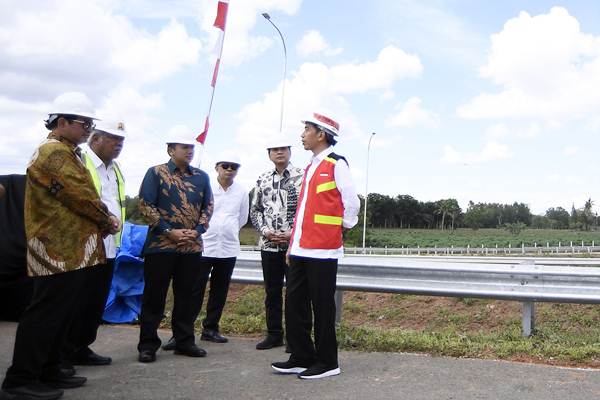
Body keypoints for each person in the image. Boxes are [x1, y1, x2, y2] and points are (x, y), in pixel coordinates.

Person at [0, 101, 121, 400]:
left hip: (72, 249)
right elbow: (78, 194)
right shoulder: (53, 152)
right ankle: (20, 380)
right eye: (85, 124)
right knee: (45, 313)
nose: (88, 130)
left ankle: (49, 370)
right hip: (56, 248)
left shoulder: (69, 152)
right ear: (62, 122)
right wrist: (106, 219)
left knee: (62, 314)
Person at [271, 112, 360, 380]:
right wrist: (292, 246)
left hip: (323, 249)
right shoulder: (311, 166)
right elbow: (303, 212)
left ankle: (327, 361)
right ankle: (301, 356)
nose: (302, 134)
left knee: (322, 307)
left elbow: (352, 203)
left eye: (307, 129)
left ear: (321, 134)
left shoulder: (336, 163)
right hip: (300, 249)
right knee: (295, 304)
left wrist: (340, 227)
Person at [136, 136, 213, 363]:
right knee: (154, 297)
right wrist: (169, 231)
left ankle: (184, 341)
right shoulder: (156, 173)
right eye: (184, 147)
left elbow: (208, 206)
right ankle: (148, 344)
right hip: (161, 246)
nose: (189, 151)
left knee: (187, 296)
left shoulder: (201, 177)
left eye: (191, 147)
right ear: (171, 150)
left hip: (191, 246)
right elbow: (145, 205)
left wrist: (197, 230)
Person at [60, 121, 127, 368]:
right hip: (84, 247)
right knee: (76, 302)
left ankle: (81, 347)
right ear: (95, 138)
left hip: (108, 247)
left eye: (121, 141)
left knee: (94, 302)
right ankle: (63, 354)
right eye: (113, 139)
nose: (118, 145)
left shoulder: (116, 169)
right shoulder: (81, 162)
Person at [164, 155, 248, 348]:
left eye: (233, 166)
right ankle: (182, 334)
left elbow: (242, 217)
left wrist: (228, 229)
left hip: (228, 247)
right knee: (193, 290)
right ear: (217, 167)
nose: (229, 169)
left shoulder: (242, 191)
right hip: (204, 246)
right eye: (225, 165)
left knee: (220, 291)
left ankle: (210, 329)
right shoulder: (205, 186)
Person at [250, 140, 303, 350]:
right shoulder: (262, 179)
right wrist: (265, 231)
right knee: (271, 292)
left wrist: (292, 234)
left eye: (283, 148)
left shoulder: (303, 176)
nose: (279, 152)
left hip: (294, 247)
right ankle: (274, 334)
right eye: (275, 149)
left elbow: (306, 210)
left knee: (296, 294)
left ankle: (295, 339)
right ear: (269, 154)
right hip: (269, 245)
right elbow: (256, 210)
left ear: (290, 151)